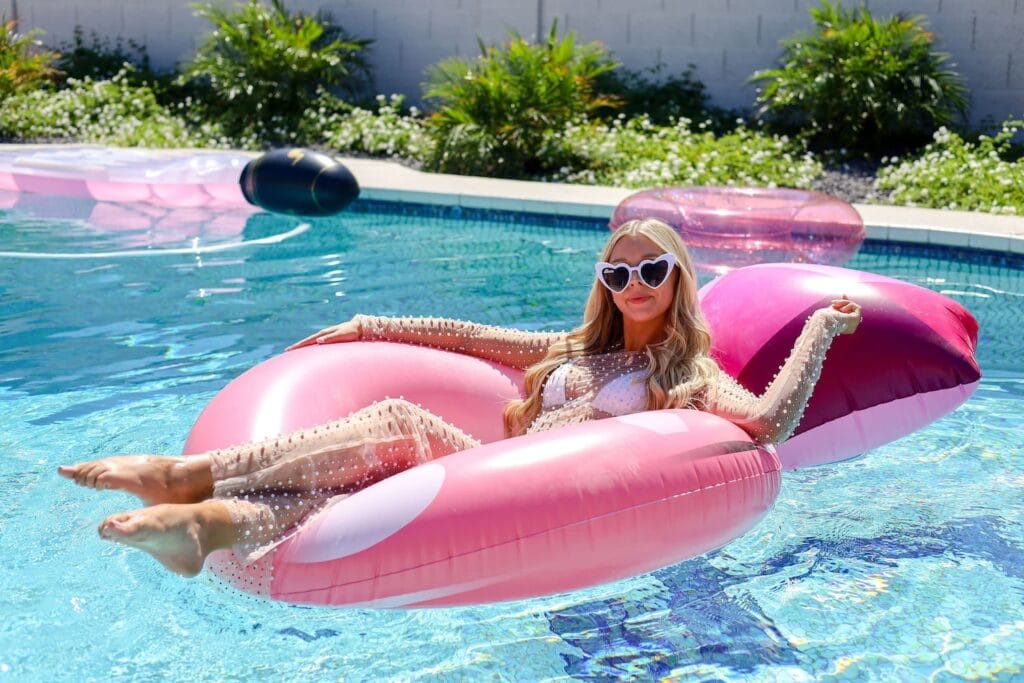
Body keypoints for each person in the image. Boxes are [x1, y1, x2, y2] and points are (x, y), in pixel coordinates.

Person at [58, 218, 861, 578]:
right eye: (619, 272)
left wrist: (819, 330)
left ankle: (193, 473)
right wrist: (370, 323)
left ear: (678, 278)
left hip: (544, 492)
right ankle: (205, 524)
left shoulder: (687, 372)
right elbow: (475, 336)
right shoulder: (575, 347)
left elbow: (766, 422)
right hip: (491, 476)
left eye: (653, 270)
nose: (635, 284)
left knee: (400, 421)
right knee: (349, 489)